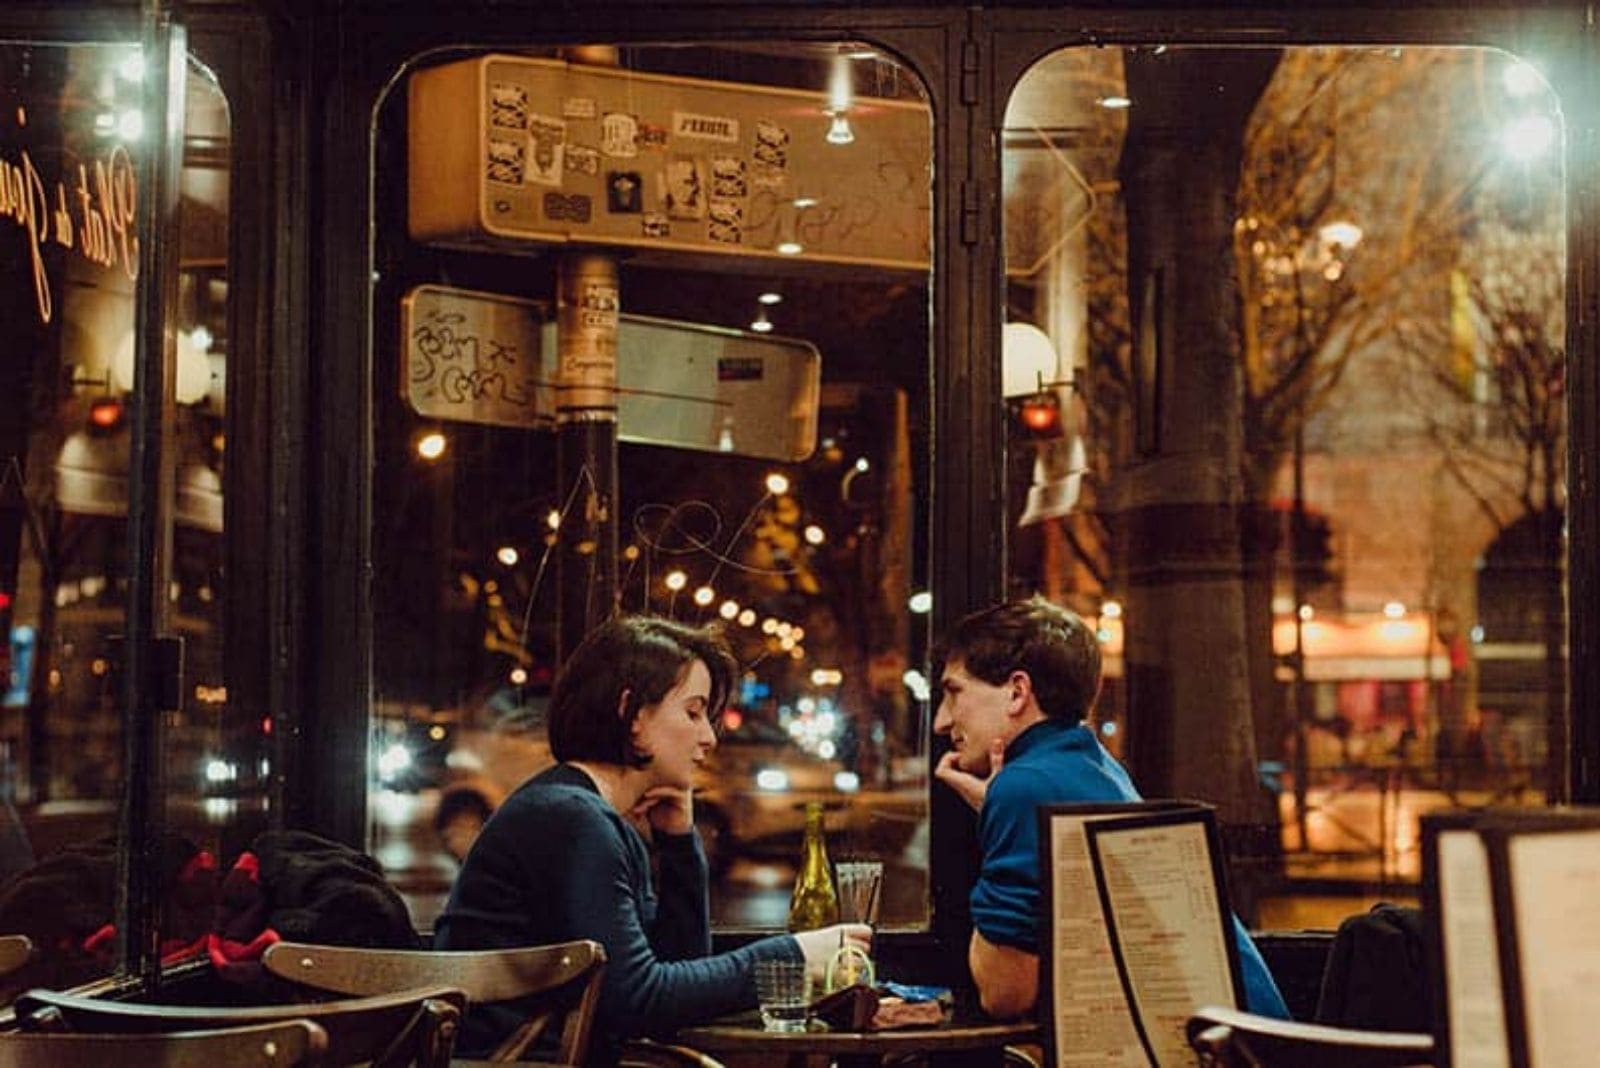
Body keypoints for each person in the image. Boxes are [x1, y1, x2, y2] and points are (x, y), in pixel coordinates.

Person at [435, 616, 869, 1062]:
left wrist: (679, 842)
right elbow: (639, 1000)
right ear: (632, 714)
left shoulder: (582, 811)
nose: (709, 737)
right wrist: (792, 955)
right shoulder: (572, 818)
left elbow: (676, 980)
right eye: (694, 712)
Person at [931, 597, 1290, 1021]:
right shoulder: (1092, 766)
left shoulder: (1023, 786)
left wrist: (1000, 811)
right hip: (1251, 1039)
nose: (941, 721)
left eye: (954, 693)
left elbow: (1004, 992)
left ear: (1017, 692)